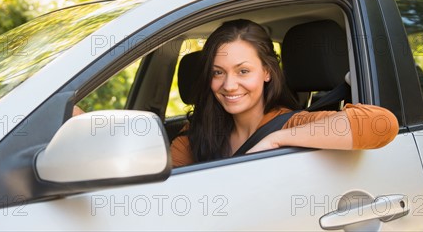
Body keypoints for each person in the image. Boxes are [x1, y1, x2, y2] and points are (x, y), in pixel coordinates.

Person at [170, 19, 399, 167]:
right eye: (218, 73)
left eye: (243, 71)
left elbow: (382, 123)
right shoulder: (198, 131)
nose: (229, 85)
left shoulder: (292, 124)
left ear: (267, 72)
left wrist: (276, 139)